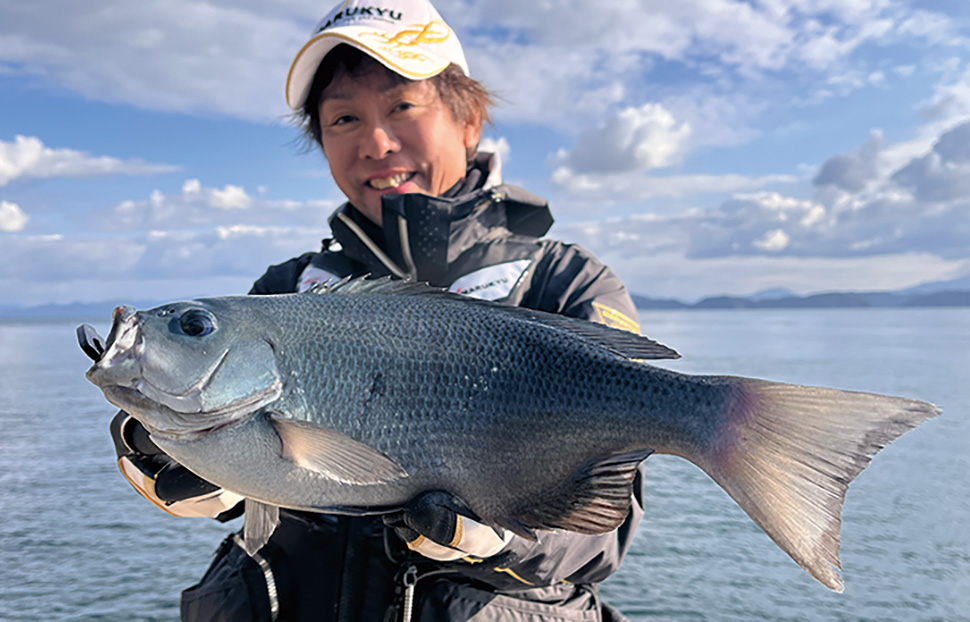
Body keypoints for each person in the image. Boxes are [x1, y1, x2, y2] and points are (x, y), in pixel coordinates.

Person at [110, 0, 647, 619]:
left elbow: (607, 527)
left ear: (469, 122)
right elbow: (254, 477)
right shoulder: (283, 289)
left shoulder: (565, 282)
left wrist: (509, 538)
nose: (376, 142)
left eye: (402, 107)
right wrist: (168, 452)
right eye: (344, 118)